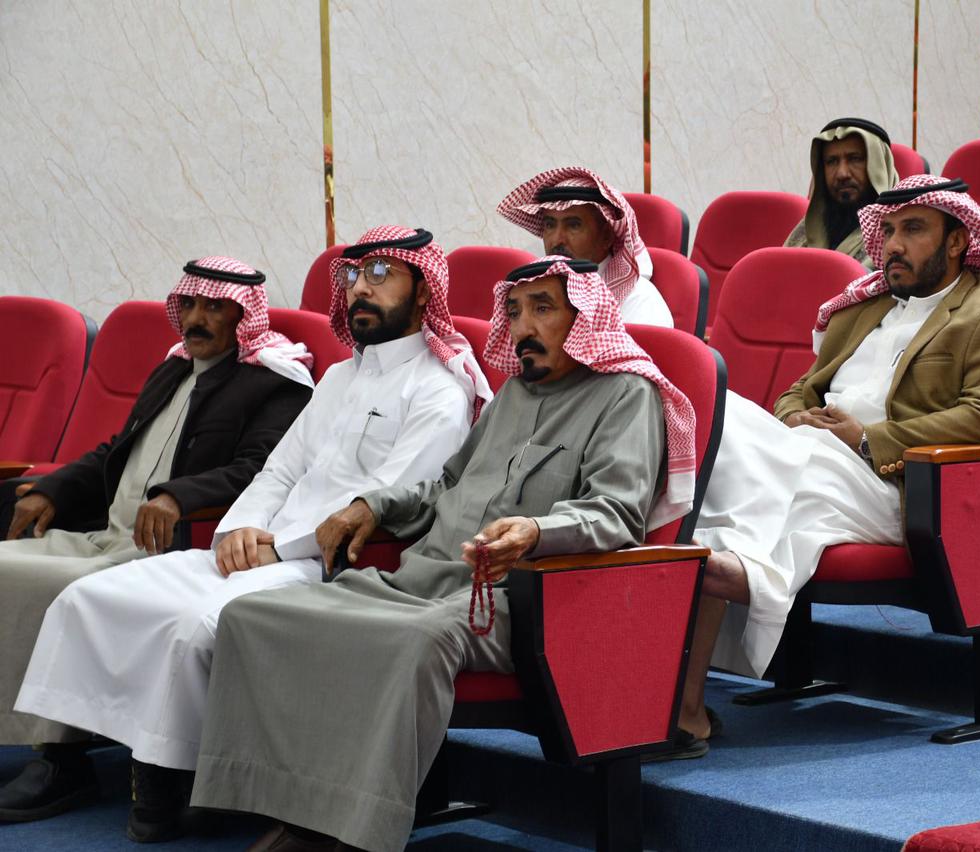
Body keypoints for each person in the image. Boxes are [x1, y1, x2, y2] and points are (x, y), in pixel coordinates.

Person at [185, 256, 693, 852]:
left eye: (543, 309)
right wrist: (372, 506)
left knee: (415, 640)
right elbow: (445, 487)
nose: (523, 326)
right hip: (418, 578)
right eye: (514, 311)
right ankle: (285, 805)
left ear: (584, 317)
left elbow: (615, 514)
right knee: (254, 617)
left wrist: (535, 531)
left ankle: (351, 832)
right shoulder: (512, 396)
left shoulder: (625, 396)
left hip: (510, 601)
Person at [11, 226, 488, 841]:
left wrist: (277, 548)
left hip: (334, 566)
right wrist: (240, 528)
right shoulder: (340, 379)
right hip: (261, 547)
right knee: (89, 597)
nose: (359, 290)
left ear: (424, 292)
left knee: (194, 627)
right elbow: (279, 470)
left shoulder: (440, 389)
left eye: (380, 275)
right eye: (352, 276)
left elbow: (389, 502)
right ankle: (64, 761)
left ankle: (168, 783)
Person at [677, 175, 980, 758]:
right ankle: (685, 707)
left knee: (726, 446)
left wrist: (867, 438)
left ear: (956, 240)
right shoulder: (864, 309)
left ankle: (722, 584)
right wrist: (796, 418)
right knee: (715, 419)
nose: (893, 244)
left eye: (913, 229)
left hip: (897, 481)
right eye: (887, 230)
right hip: (813, 454)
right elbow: (798, 391)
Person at [0, 256, 313, 822]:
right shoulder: (172, 369)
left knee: (52, 586)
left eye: (213, 307)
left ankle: (61, 762)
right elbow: (116, 450)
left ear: (244, 316)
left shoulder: (277, 384)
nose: (195, 319)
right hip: (104, 532)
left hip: (167, 547)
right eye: (188, 304)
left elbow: (259, 470)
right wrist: (54, 489)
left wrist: (177, 497)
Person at [497, 166, 675, 326]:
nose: (557, 240)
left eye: (573, 225)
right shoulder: (527, 293)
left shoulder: (638, 300)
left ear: (606, 236)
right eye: (550, 225)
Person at [783, 117, 901, 263]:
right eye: (832, 161)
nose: (842, 174)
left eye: (855, 159)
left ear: (879, 166)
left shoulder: (899, 235)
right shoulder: (808, 231)